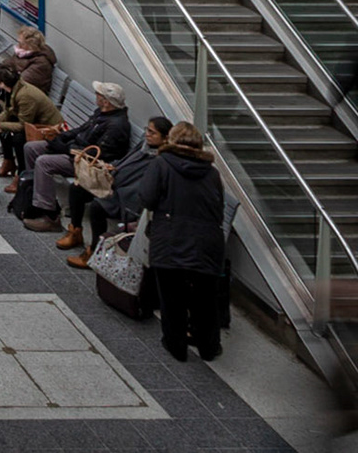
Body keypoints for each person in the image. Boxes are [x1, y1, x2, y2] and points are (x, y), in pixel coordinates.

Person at [138, 122, 229, 362]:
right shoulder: (212, 172)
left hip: (170, 237)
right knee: (205, 298)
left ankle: (175, 345)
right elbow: (218, 210)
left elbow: (147, 198)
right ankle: (209, 347)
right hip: (208, 241)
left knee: (171, 296)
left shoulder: (161, 164)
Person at [18, 82, 133, 232]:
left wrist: (65, 149)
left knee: (44, 162)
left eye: (98, 94)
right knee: (31, 148)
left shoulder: (117, 126)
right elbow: (82, 129)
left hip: (87, 164)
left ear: (106, 101)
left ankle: (49, 215)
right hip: (75, 151)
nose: (96, 96)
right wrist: (62, 137)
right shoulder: (102, 113)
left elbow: (97, 154)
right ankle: (37, 196)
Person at [61, 116, 171, 268]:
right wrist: (111, 167)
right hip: (115, 183)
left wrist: (114, 186)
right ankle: (75, 230)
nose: (148, 134)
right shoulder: (144, 146)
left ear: (165, 138)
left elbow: (141, 186)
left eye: (153, 133)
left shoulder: (159, 159)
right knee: (77, 188)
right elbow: (125, 163)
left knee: (97, 207)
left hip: (127, 197)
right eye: (148, 130)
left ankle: (93, 251)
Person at [0, 60, 64, 174]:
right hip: (36, 124)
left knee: (18, 138)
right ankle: (8, 161)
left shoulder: (25, 96)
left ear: (2, 83)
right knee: (5, 129)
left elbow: (23, 125)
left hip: (49, 130)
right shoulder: (16, 87)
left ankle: (22, 173)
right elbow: (9, 111)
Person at [1, 25, 57, 96]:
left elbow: (22, 82)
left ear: (31, 45)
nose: (18, 46)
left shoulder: (41, 63)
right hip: (16, 89)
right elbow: (6, 64)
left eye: (21, 44)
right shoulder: (23, 53)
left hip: (31, 96)